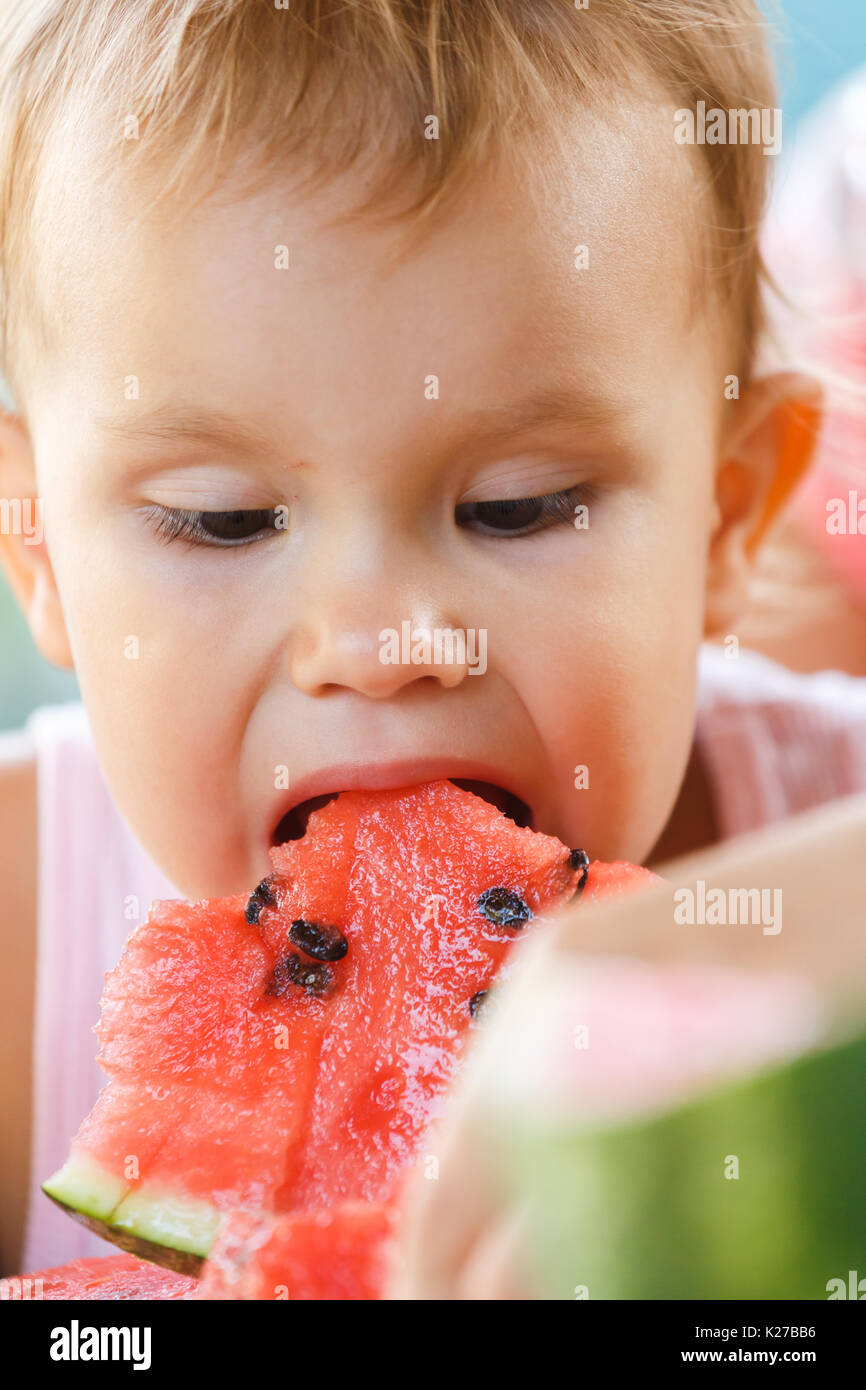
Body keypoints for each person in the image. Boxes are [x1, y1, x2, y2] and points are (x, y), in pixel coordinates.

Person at [0, 1, 861, 1282]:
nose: (380, 642)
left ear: (726, 515)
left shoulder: (826, 858)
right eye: (220, 521)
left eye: (516, 505)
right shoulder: (22, 920)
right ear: (41, 552)